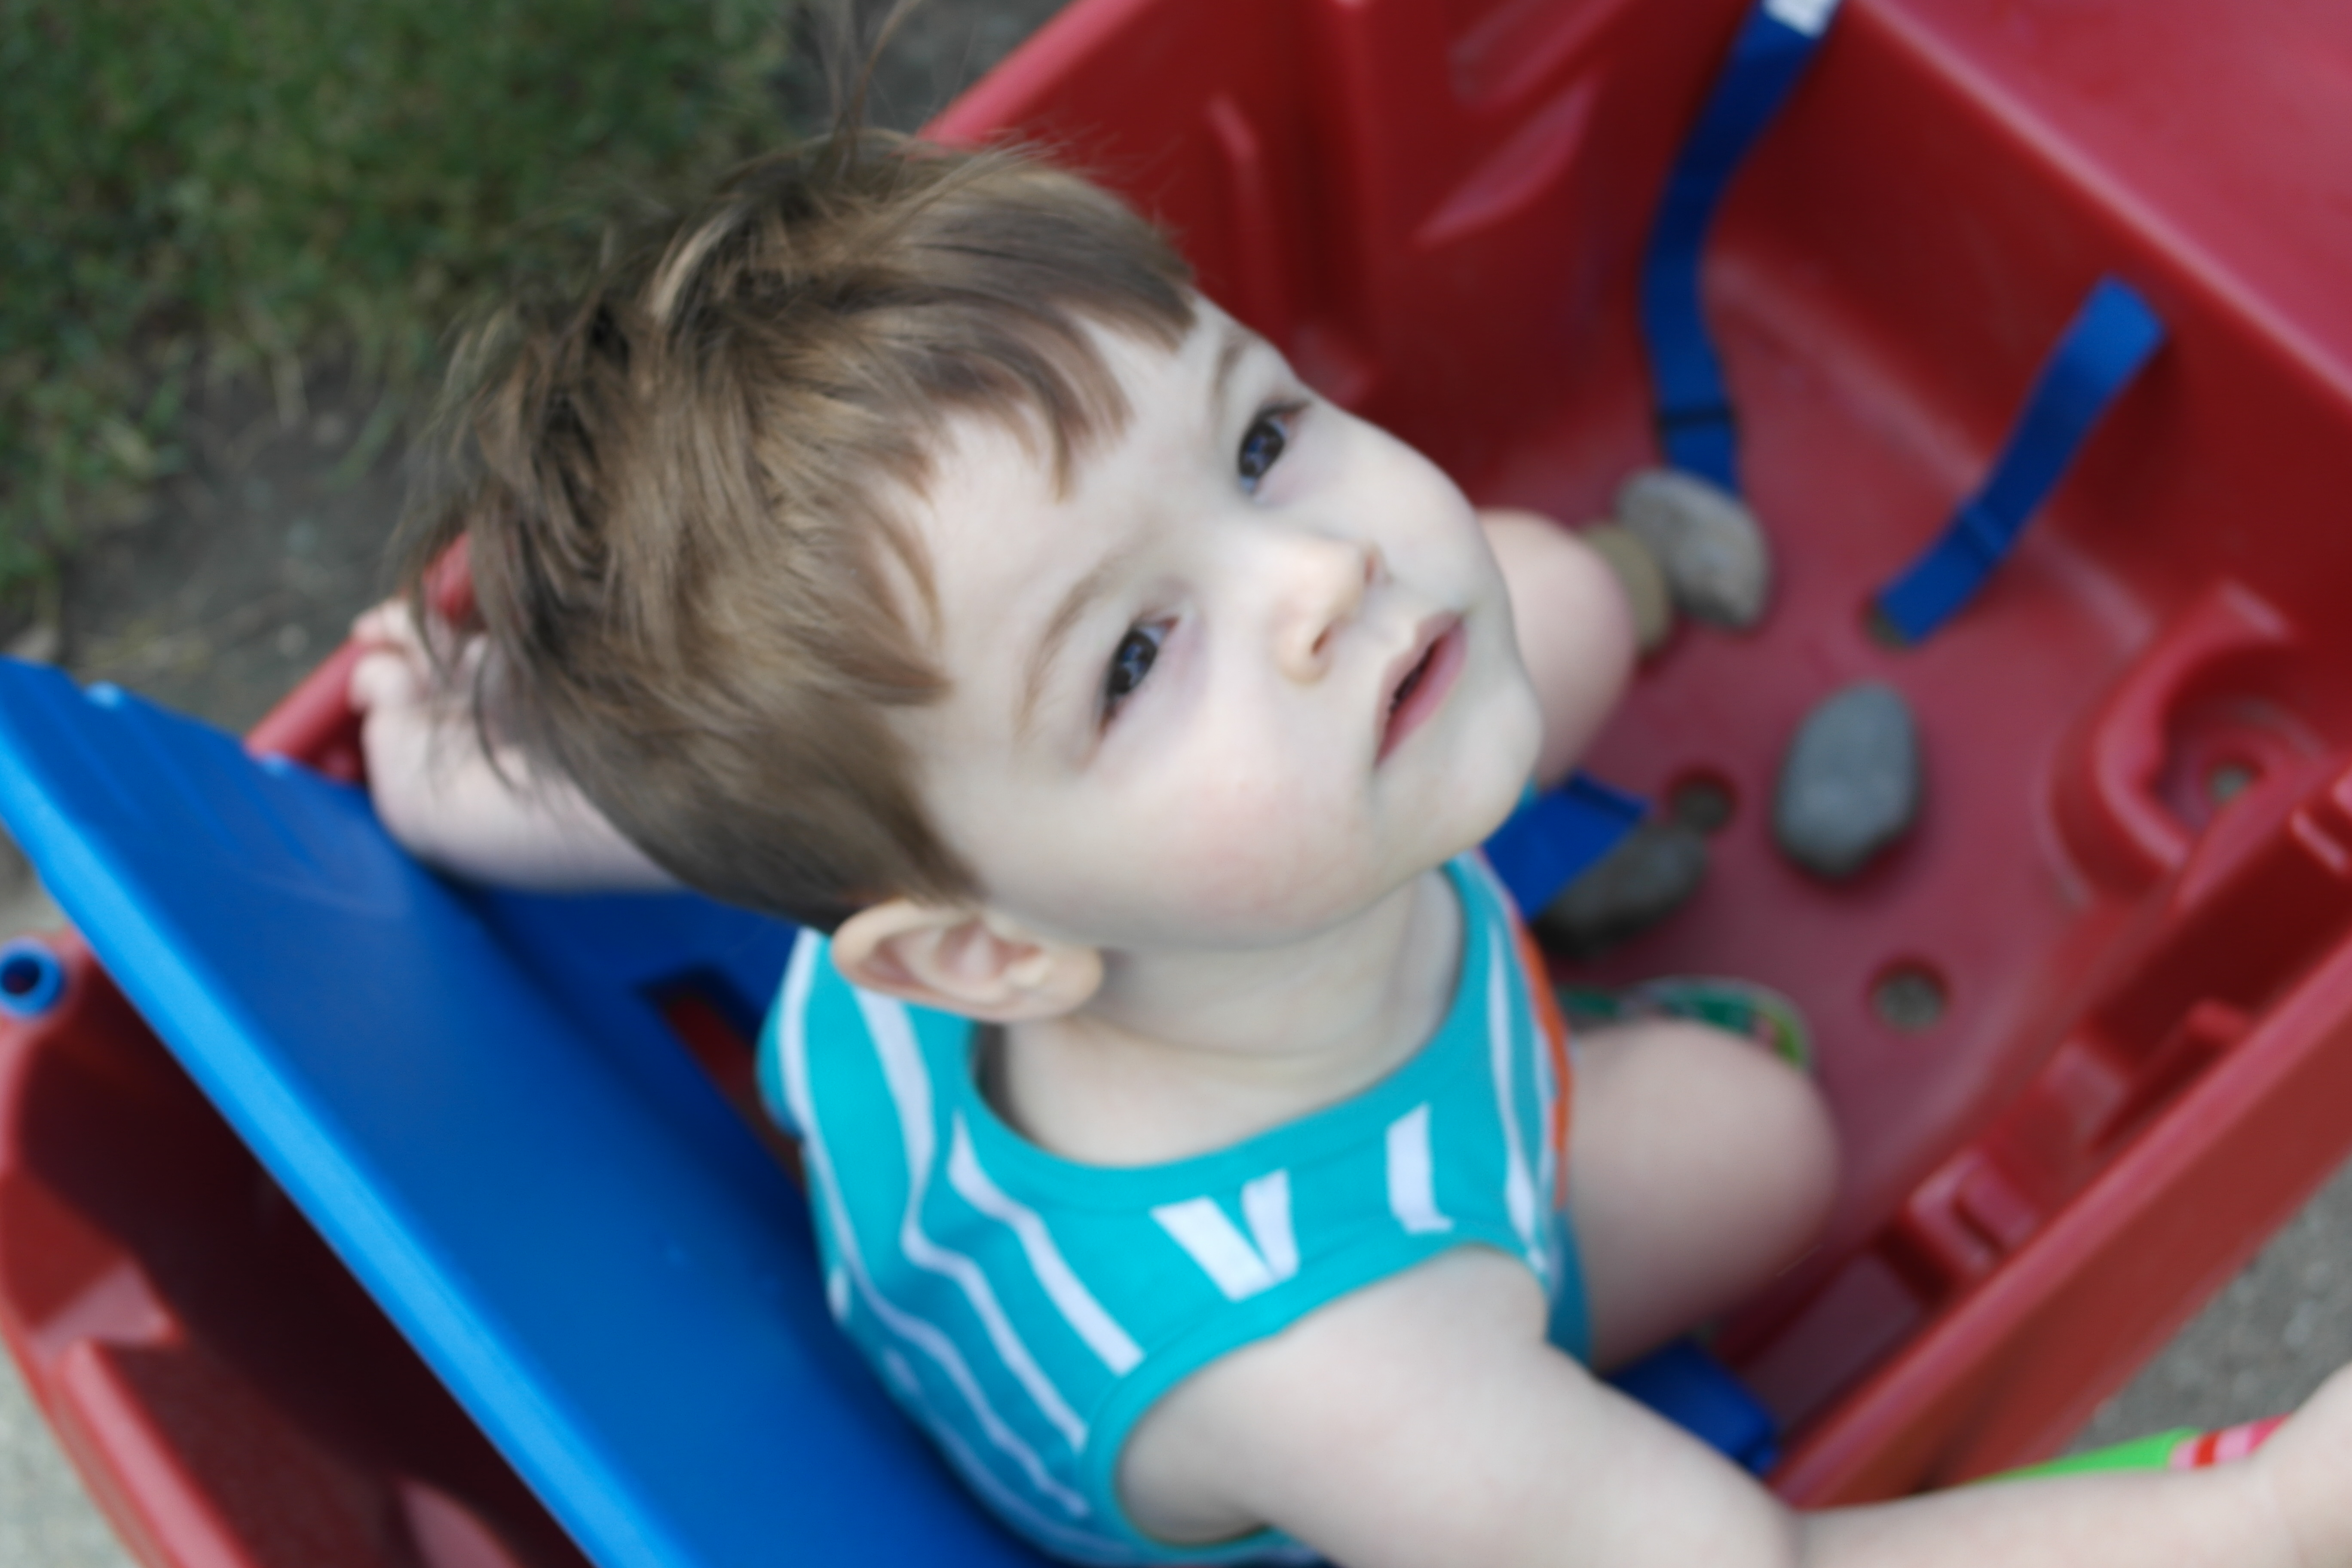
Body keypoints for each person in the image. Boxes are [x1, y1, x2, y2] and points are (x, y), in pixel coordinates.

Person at [350, 128, 2352, 1568]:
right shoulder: (1363, 1373)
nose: (1315, 574)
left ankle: (1597, 621)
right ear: (979, 958)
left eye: (1255, 439)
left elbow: (620, 805)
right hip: (1331, 1263)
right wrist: (2270, 1514)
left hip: (1250, 987)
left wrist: (445, 772)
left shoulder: (917, 835)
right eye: (1137, 656)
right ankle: (1571, 968)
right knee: (1762, 1141)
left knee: (1539, 594)